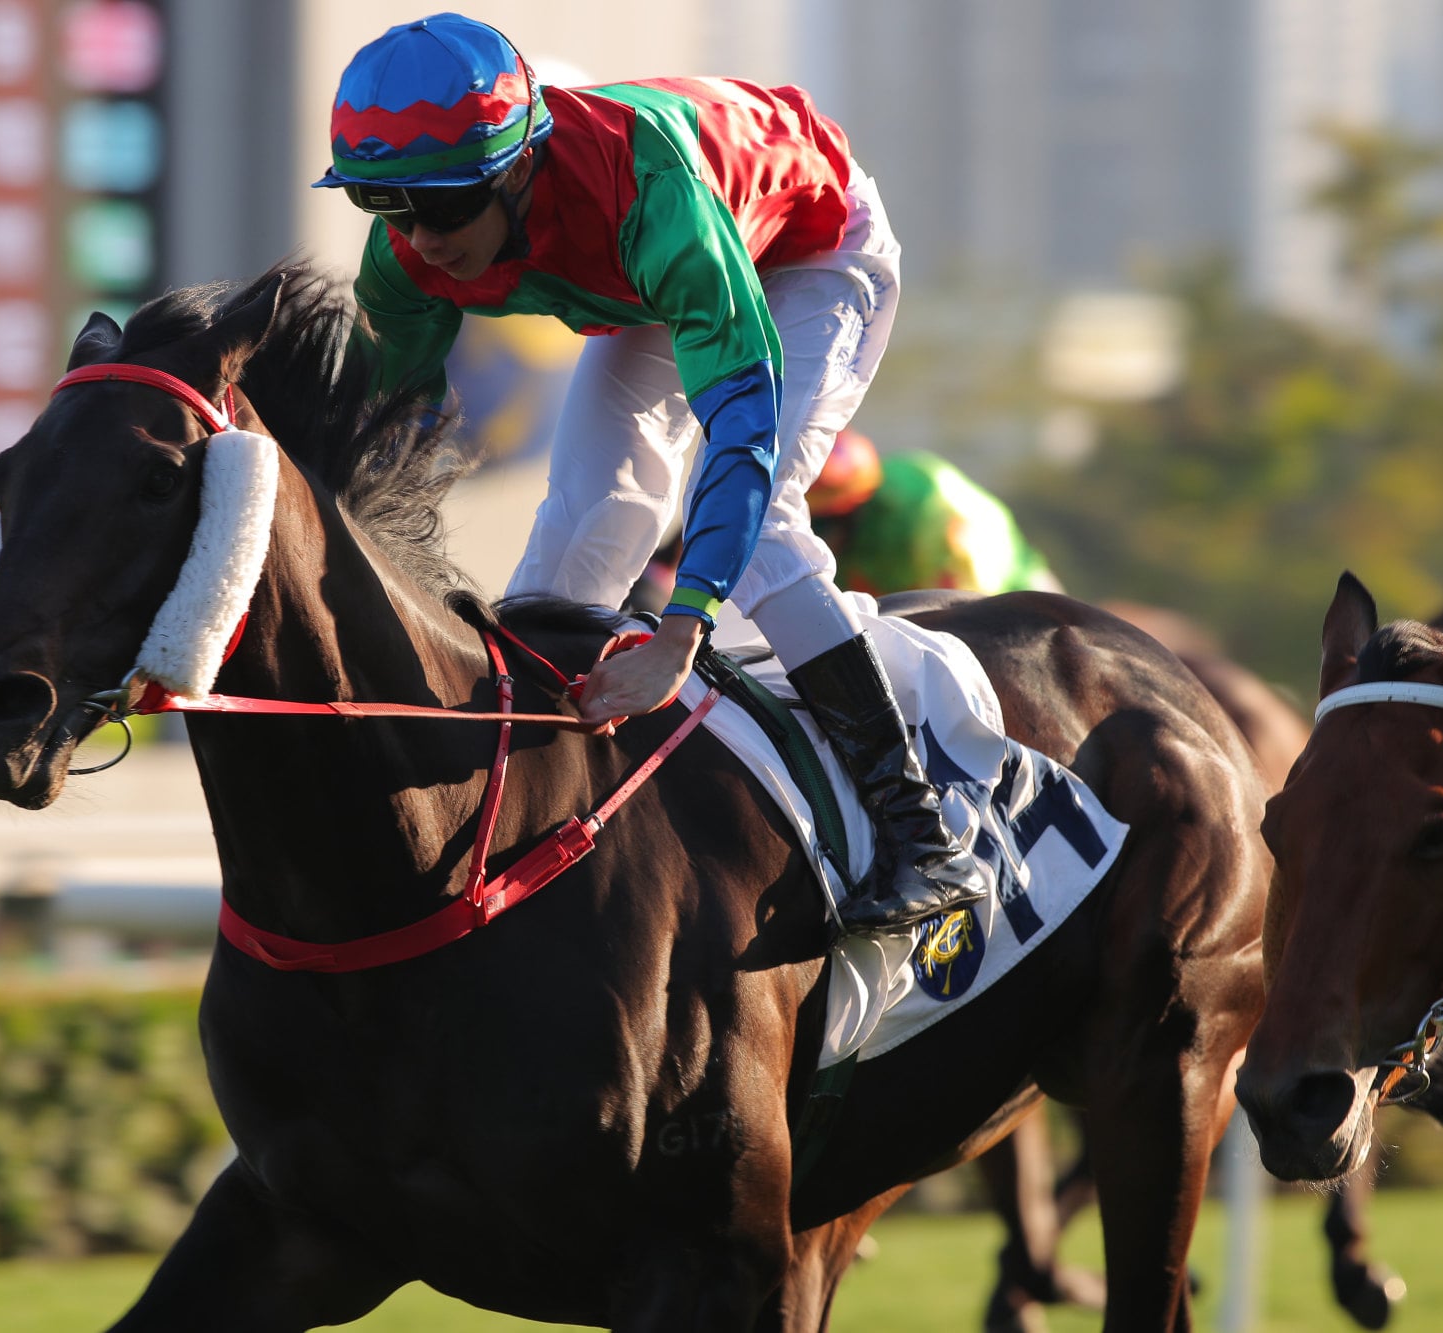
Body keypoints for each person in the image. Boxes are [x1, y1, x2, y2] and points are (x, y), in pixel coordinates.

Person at [316, 13, 986, 935]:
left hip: (807, 250)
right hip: (648, 280)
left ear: (515, 166)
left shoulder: (649, 199)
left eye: (440, 203)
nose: (418, 238)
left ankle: (924, 831)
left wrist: (678, 637)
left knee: (760, 536)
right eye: (382, 204)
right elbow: (367, 448)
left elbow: (741, 438)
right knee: (566, 556)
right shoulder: (408, 245)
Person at [804, 429, 1063, 597]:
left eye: (819, 524)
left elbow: (957, 604)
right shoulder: (902, 472)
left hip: (1006, 591)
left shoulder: (906, 523)